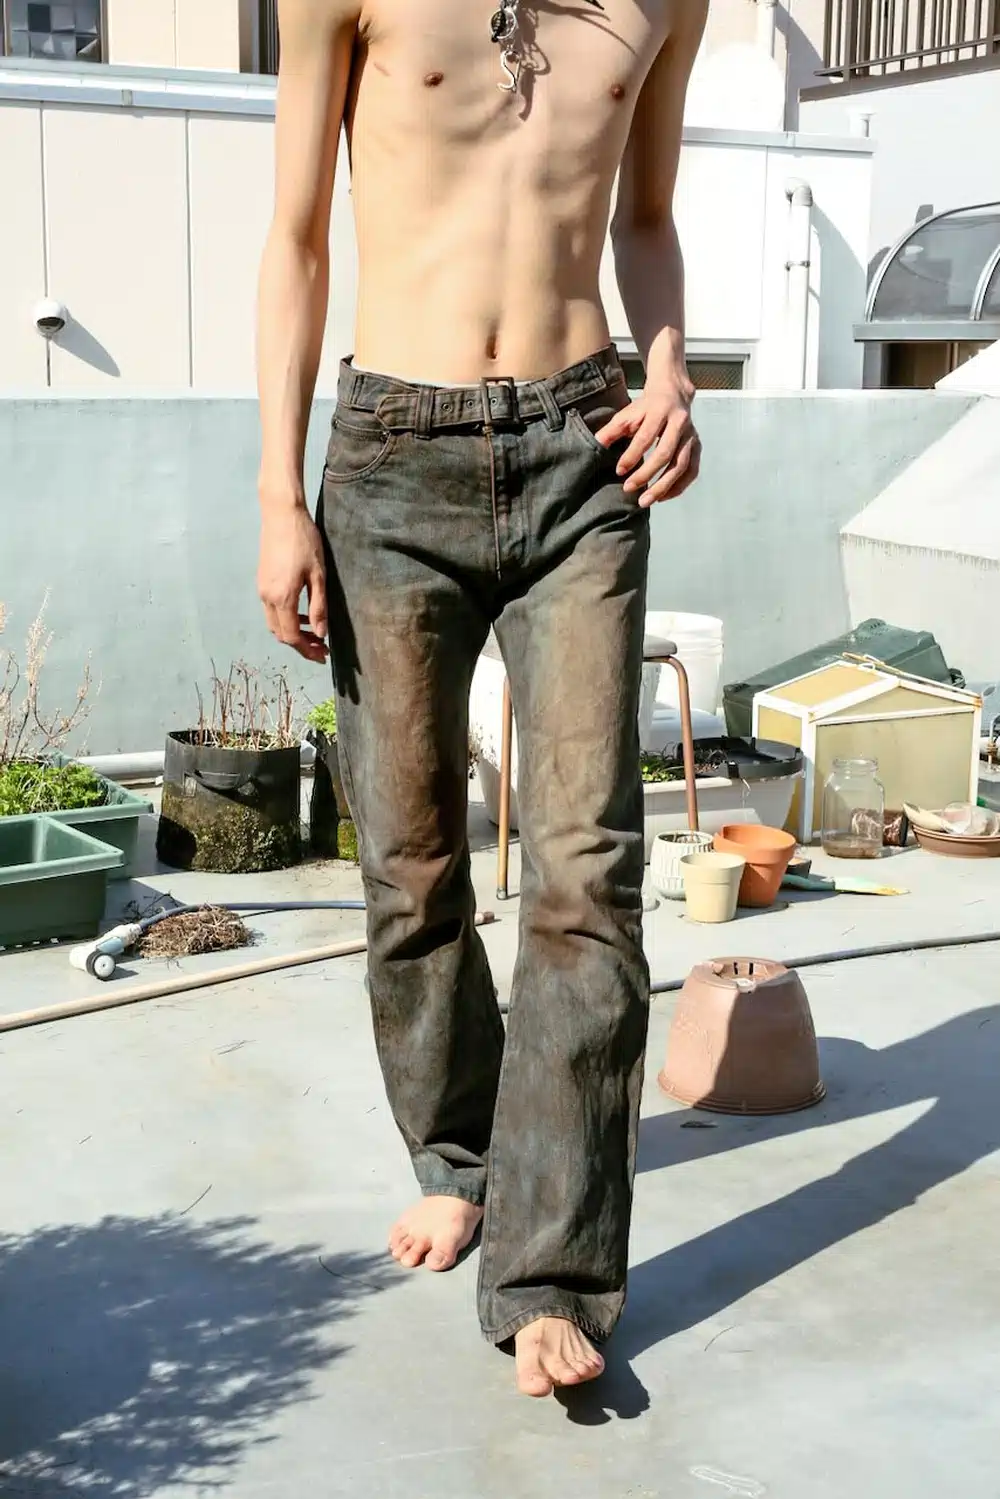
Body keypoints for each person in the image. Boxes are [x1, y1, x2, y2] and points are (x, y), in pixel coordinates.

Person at [256, 0, 707, 1398]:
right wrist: (278, 495)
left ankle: (552, 1269)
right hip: (393, 457)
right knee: (410, 858)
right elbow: (297, 237)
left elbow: (645, 216)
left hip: (586, 451)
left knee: (586, 868)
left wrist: (672, 368)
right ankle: (461, 1156)